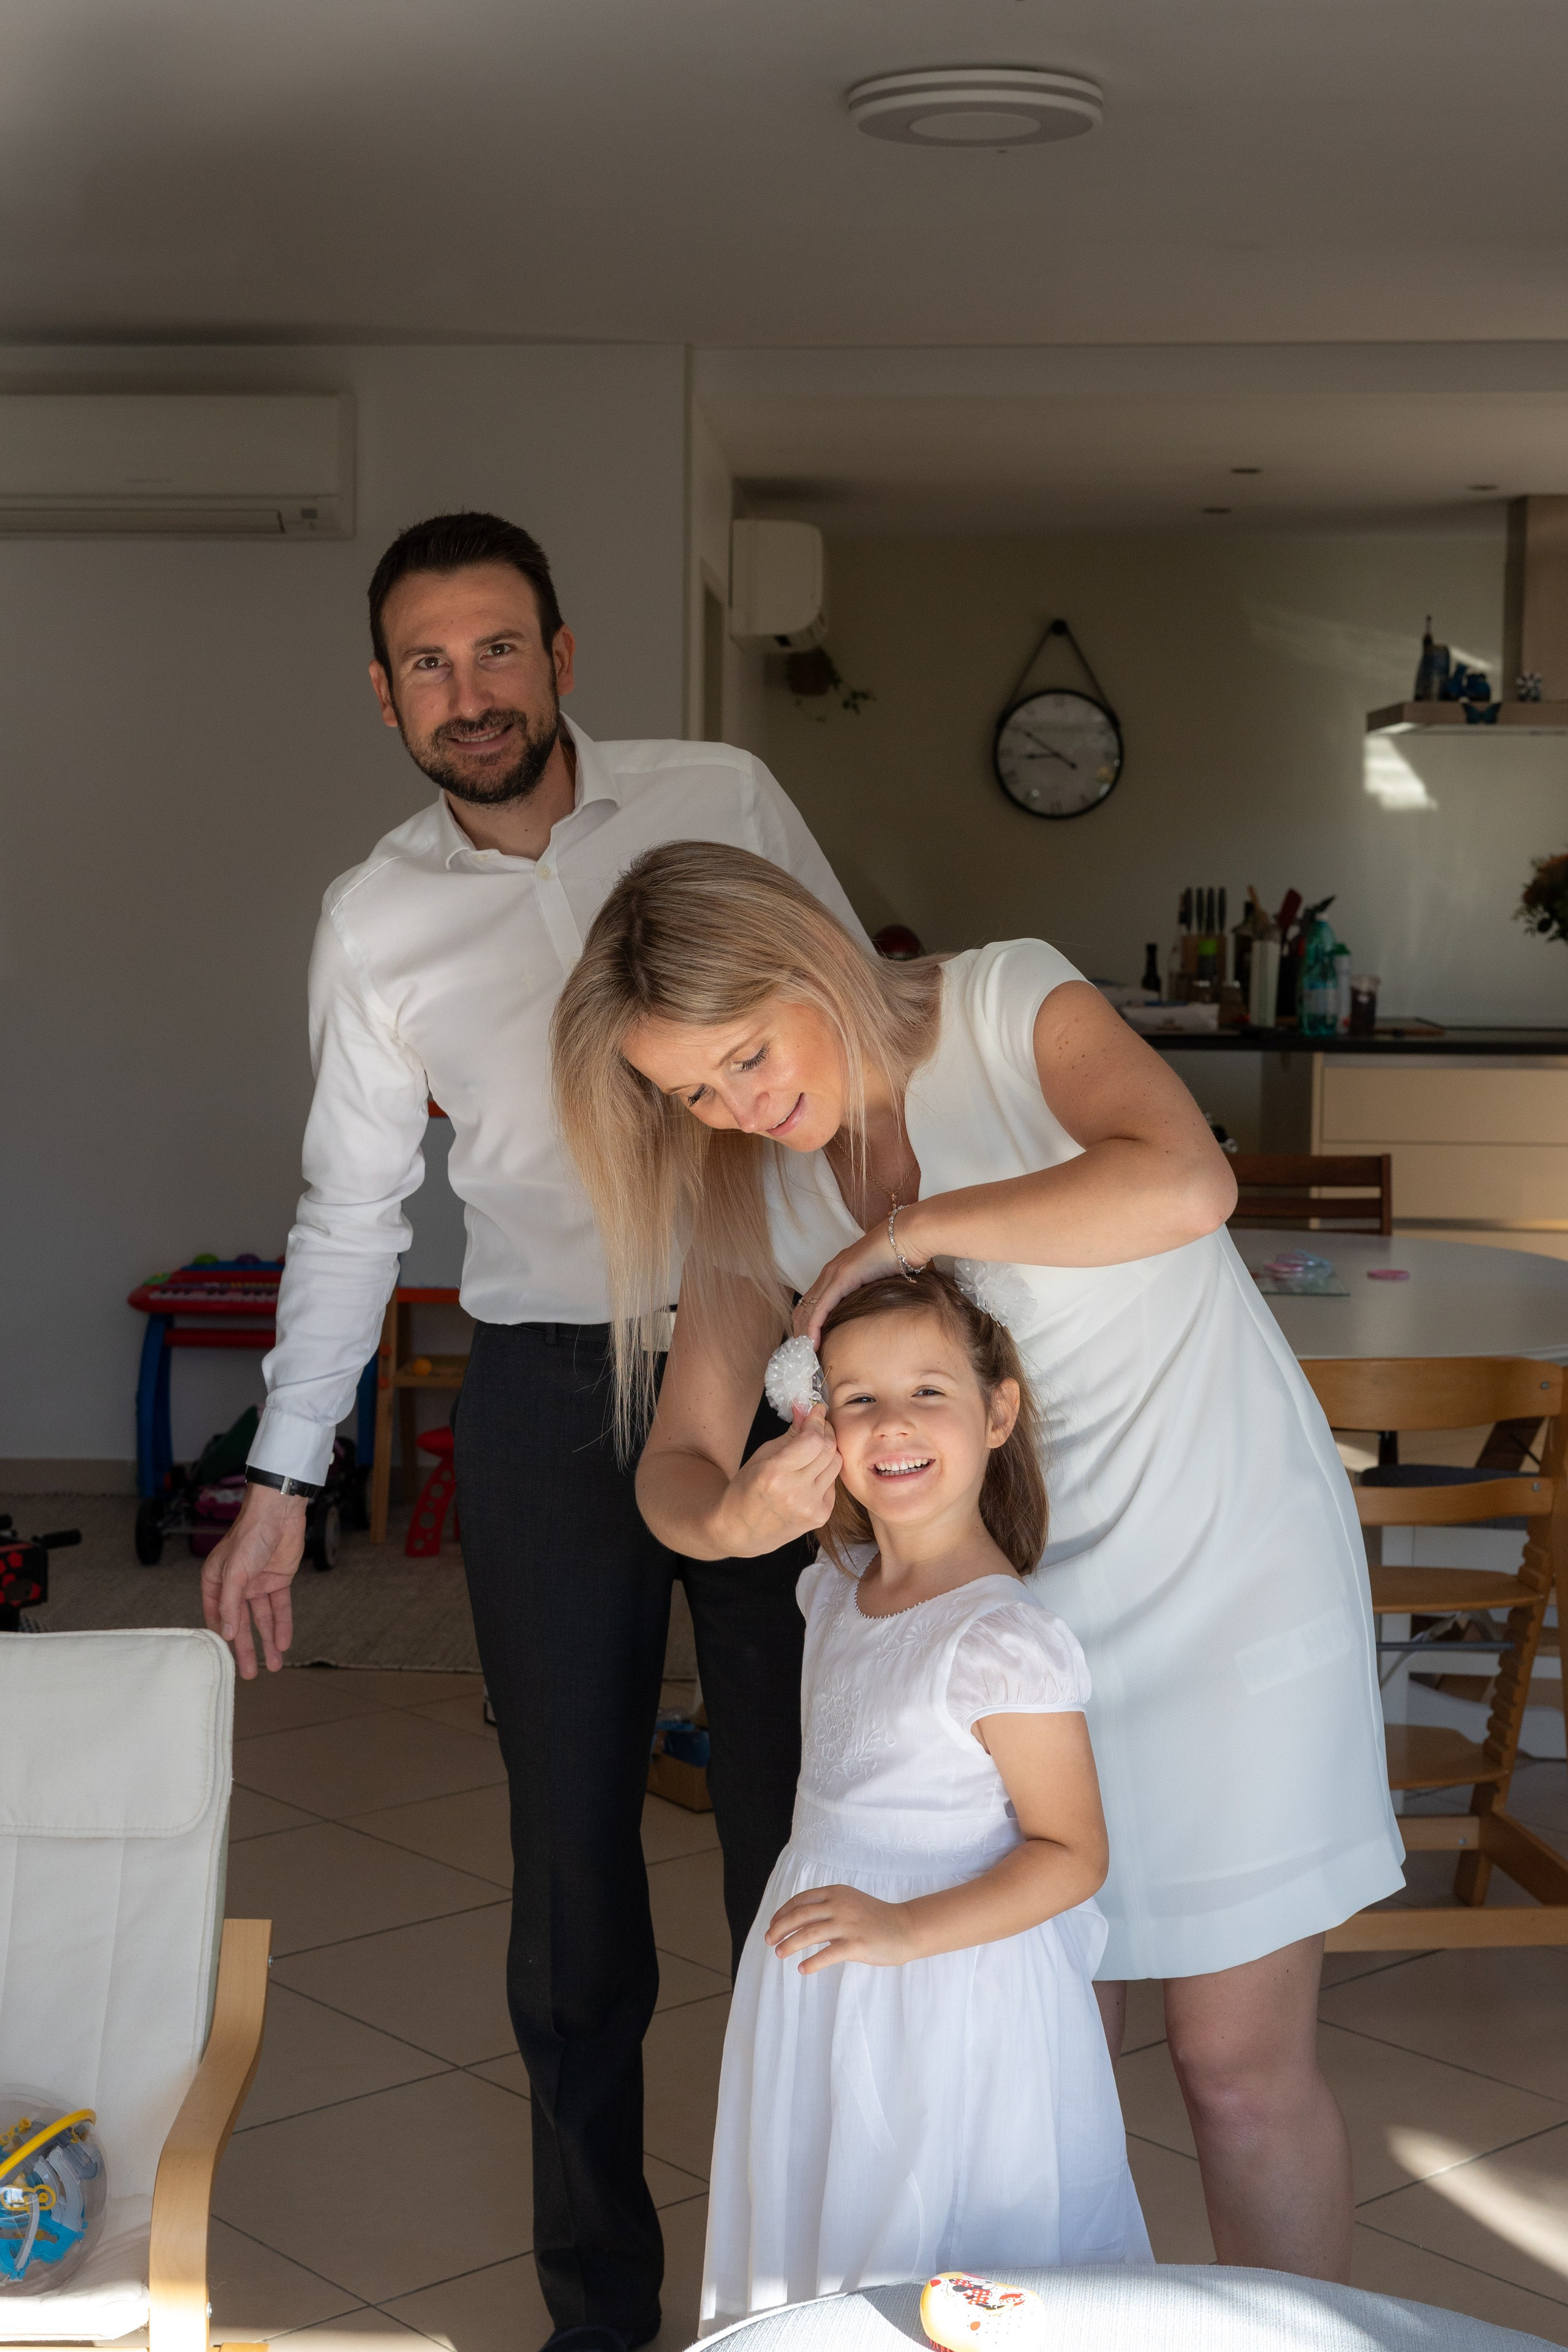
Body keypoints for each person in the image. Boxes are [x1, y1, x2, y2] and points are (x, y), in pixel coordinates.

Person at [550, 841, 1406, 2285]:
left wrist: (904, 1230)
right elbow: (678, 1466)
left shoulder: (1006, 1007)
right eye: (693, 1091)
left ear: (808, 963)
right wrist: (734, 1520)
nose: (741, 1108)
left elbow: (1184, 1182)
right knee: (1044, 2051)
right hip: (1003, 1640)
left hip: (1221, 1573)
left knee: (1233, 2065)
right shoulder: (747, 1182)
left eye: (748, 1056)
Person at [200, 515, 869, 2352]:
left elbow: (851, 1038)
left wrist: (902, 1336)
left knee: (799, 1845)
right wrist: (282, 1482)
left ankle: (803, 2285)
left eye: (500, 651)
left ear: (564, 656)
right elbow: (352, 1212)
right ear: (385, 691)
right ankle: (602, 2314)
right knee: (571, 1879)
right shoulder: (376, 915)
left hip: (776, 1359)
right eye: (431, 661)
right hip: (546, 1394)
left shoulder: (715, 789)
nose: (468, 691)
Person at [701, 1267, 1150, 2332]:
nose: (891, 1423)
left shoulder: (1003, 1641)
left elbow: (1071, 1853)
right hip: (829, 1979)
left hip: (951, 1995)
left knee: (936, 2224)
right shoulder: (833, 1587)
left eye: (928, 1392)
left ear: (999, 1413)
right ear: (819, 1423)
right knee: (830, 2192)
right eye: (857, 1400)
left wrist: (904, 1930)